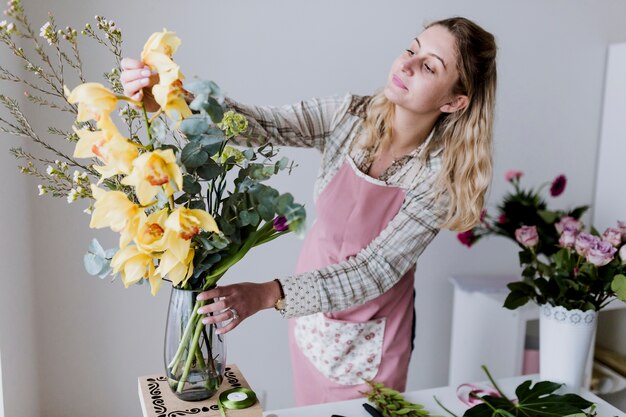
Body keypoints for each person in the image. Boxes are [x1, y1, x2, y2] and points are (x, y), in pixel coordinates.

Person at [121, 16, 497, 406]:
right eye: (412, 49)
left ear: (454, 102)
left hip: (372, 337)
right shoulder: (350, 116)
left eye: (429, 66)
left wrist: (270, 293)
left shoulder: (441, 180)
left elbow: (374, 270)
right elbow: (264, 125)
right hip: (311, 316)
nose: (406, 65)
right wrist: (172, 97)